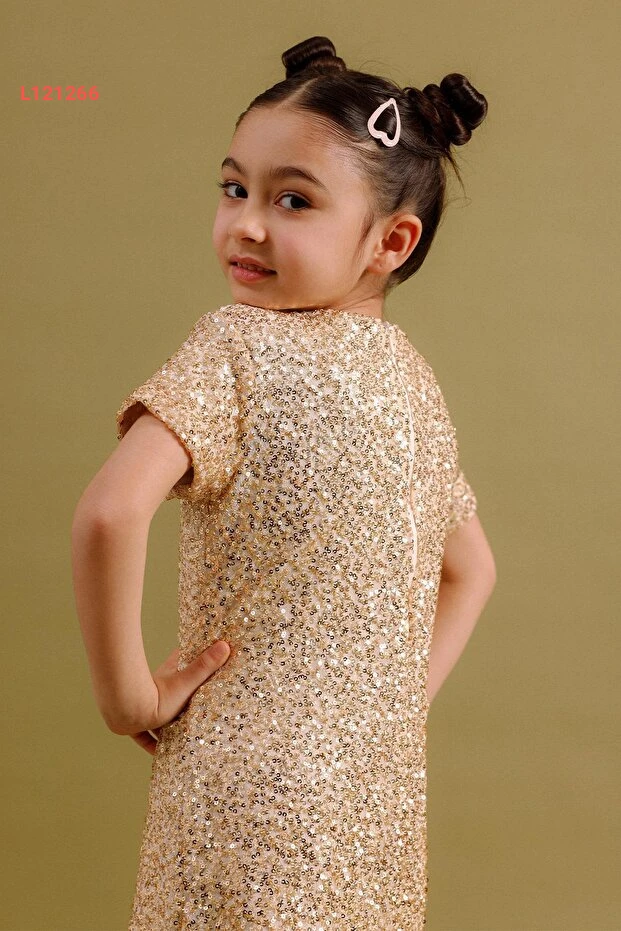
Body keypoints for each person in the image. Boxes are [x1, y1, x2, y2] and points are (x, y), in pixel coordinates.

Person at [71, 34, 496, 930]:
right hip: (370, 797)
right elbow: (472, 570)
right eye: (234, 189)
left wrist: (127, 699)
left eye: (292, 200)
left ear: (391, 240)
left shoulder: (234, 349)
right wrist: (390, 708)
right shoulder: (412, 382)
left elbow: (109, 512)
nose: (247, 224)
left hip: (238, 790)